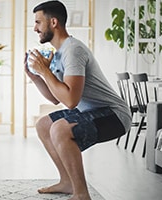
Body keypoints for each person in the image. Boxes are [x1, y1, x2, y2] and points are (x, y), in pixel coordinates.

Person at [25, 1, 132, 200]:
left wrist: (45, 71)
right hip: (91, 112)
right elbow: (56, 98)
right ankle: (67, 182)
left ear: (54, 22)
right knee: (44, 125)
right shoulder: (59, 53)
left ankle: (82, 194)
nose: (35, 28)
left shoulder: (73, 50)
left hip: (114, 115)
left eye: (38, 22)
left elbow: (71, 101)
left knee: (59, 128)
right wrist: (36, 76)